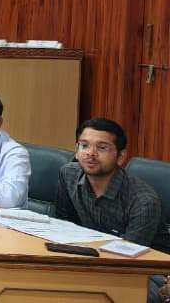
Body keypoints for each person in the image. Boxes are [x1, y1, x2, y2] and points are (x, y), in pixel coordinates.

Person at [51, 118, 170, 303]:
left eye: (102, 148)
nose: (90, 153)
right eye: (84, 145)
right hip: (91, 258)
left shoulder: (143, 200)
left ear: (121, 157)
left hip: (147, 270)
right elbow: (62, 225)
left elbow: (127, 260)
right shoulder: (68, 175)